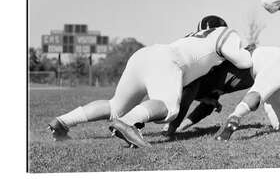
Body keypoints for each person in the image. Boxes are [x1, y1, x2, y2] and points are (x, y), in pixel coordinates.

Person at [47, 15, 252, 148]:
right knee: (169, 108)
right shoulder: (225, 33)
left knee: (114, 106)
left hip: (144, 55)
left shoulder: (191, 38)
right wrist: (247, 52)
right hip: (167, 61)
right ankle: (128, 123)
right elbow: (244, 61)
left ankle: (63, 121)